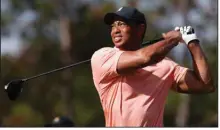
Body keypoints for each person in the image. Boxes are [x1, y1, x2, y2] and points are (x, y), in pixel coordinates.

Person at [91, 6, 215, 127]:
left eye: (122, 24)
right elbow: (145, 58)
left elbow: (205, 85)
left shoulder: (165, 65)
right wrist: (173, 40)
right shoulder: (102, 56)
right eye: (113, 25)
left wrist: (192, 42)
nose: (116, 30)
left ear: (140, 29)